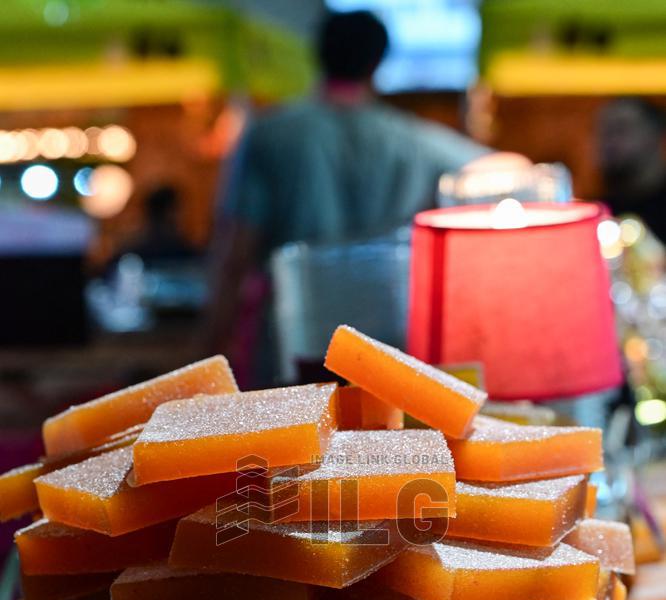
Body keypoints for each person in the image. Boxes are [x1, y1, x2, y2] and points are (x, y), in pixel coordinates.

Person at [211, 9, 523, 383]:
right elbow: (511, 168)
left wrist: (206, 347)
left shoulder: (269, 135)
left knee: (288, 438)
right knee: (380, 437)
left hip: (293, 341)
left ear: (317, 55)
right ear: (377, 63)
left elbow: (234, 258)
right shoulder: (415, 141)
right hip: (385, 347)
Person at [598, 97, 666, 245]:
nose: (610, 142)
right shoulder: (599, 213)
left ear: (654, 136)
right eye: (604, 132)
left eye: (621, 129)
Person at [117, 185, 198, 266]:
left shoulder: (130, 250)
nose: (185, 215)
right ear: (169, 212)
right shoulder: (182, 251)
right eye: (179, 210)